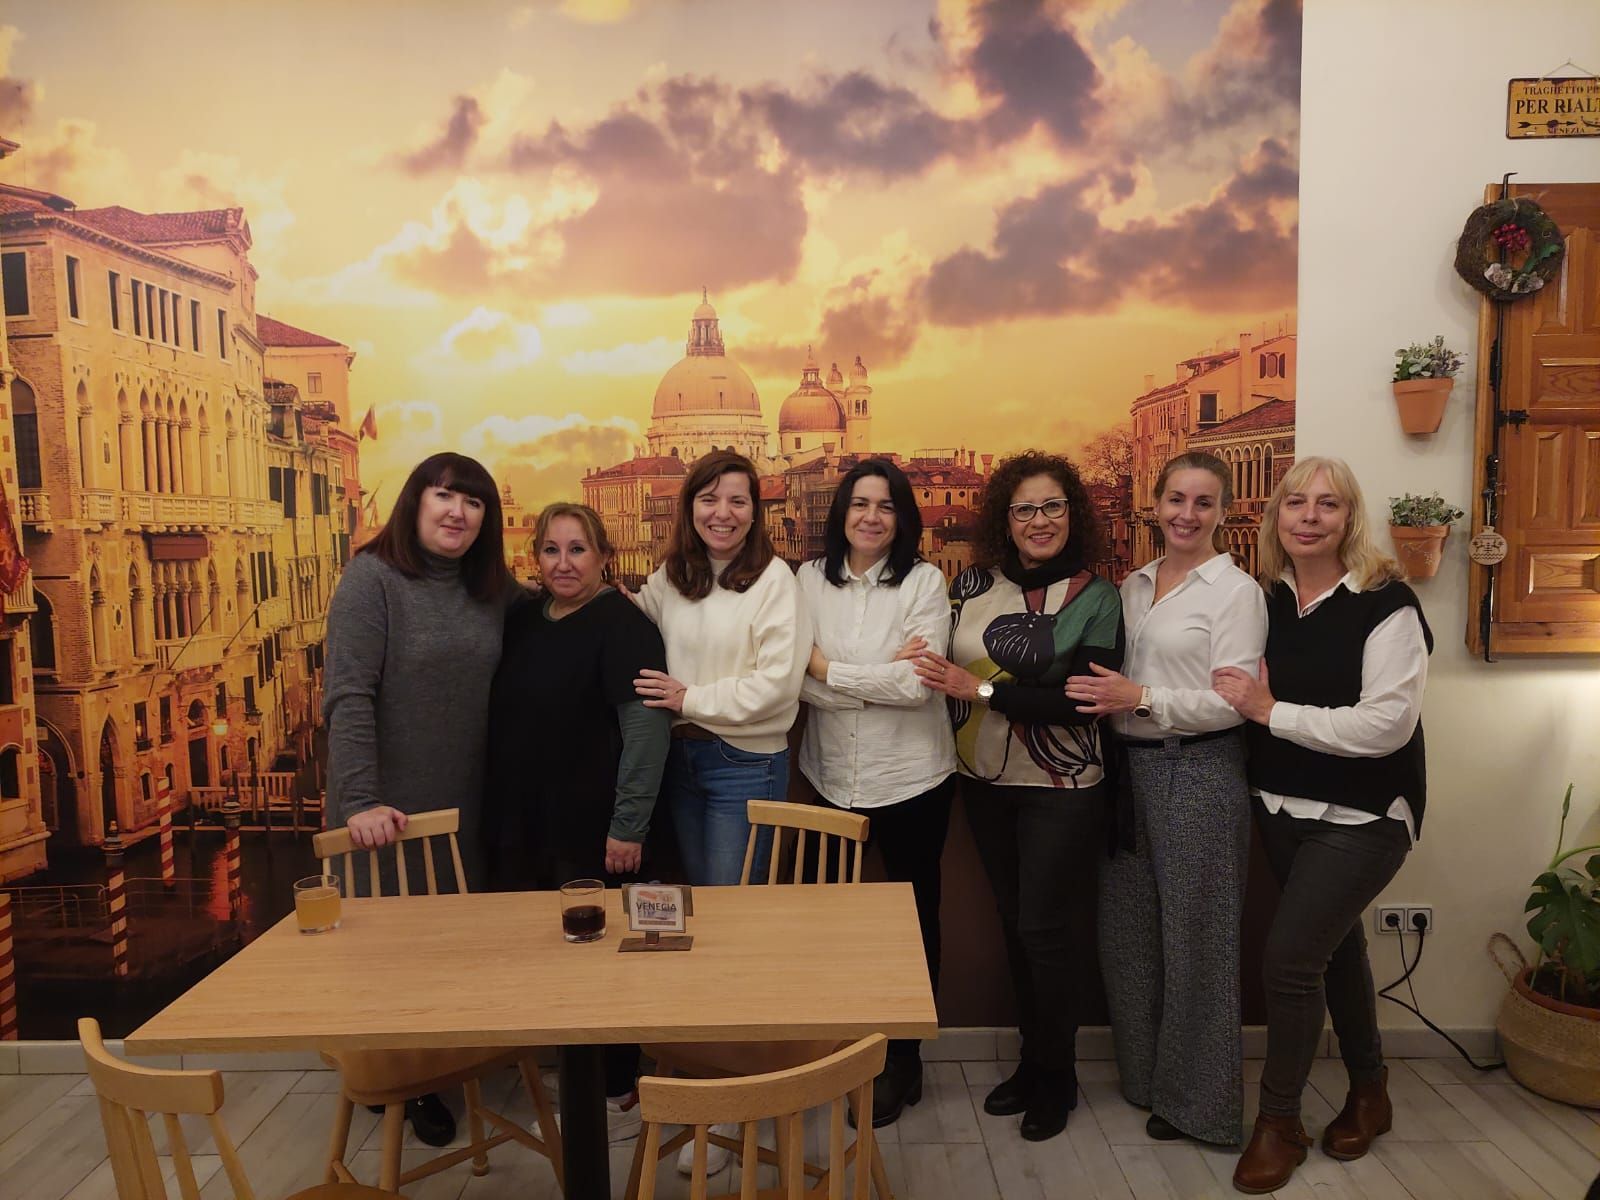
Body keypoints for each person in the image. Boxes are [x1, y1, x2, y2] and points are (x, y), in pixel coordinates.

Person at [1213, 456, 1431, 1195]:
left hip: (1364, 815)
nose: (1309, 516)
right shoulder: (1267, 600)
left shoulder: (1387, 603)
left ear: (1350, 519)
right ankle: (1371, 1092)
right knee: (1335, 952)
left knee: (1289, 962)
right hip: (1280, 806)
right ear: (1276, 516)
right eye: (1295, 503)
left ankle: (1280, 1124)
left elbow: (1386, 727)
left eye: (1328, 505)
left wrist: (1272, 714)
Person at [914, 450, 1124, 1142]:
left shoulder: (1097, 595)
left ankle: (1056, 1077)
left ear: (1074, 514)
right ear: (1006, 518)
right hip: (982, 780)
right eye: (1025, 508)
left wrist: (979, 691)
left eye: (1053, 506)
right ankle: (1033, 1066)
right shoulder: (974, 582)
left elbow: (1082, 701)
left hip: (1062, 786)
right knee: (1015, 926)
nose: (1040, 521)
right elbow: (935, 654)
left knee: (1045, 932)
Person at [1065, 451, 1266, 1147]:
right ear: (1155, 502)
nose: (1186, 514)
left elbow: (1234, 702)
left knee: (1197, 942)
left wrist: (1140, 697)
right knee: (1129, 938)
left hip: (1199, 771)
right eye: (1176, 499)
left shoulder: (1237, 592)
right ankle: (1148, 1081)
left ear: (1224, 511)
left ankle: (1203, 1107)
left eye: (1203, 503)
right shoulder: (1136, 583)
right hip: (1128, 772)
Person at [323, 450, 515, 1146]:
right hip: (387, 813)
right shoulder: (370, 580)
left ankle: (438, 1065)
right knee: (386, 958)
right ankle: (396, 1085)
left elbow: (556, 612)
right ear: (415, 502)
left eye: (473, 502)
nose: (458, 512)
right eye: (444, 496)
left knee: (448, 952)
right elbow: (347, 696)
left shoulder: (490, 588)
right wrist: (360, 802)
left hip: (463, 807)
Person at [483, 502, 671, 1143]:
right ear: (534, 557)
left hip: (595, 827)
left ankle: (614, 1088)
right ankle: (574, 1075)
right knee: (551, 960)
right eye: (551, 550)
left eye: (578, 550)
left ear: (604, 557)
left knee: (600, 961)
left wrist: (629, 826)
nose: (564, 563)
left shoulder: (625, 625)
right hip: (530, 821)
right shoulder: (524, 618)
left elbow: (646, 735)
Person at [797, 458, 957, 1127]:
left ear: (903, 518)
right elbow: (789, 679)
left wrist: (827, 668)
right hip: (829, 775)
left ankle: (904, 1061)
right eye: (859, 504)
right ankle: (834, 1053)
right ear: (840, 513)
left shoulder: (924, 581)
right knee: (830, 927)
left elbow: (917, 684)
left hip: (912, 778)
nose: (870, 516)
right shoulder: (807, 580)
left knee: (913, 923)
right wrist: (871, 674)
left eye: (885, 506)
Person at [633, 450, 807, 887]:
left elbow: (778, 686)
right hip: (679, 757)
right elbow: (629, 627)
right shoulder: (671, 577)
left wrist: (688, 698)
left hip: (745, 763)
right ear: (690, 506)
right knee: (700, 899)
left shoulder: (775, 581)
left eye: (738, 501)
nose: (722, 514)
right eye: (710, 499)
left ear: (754, 513)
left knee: (733, 905)